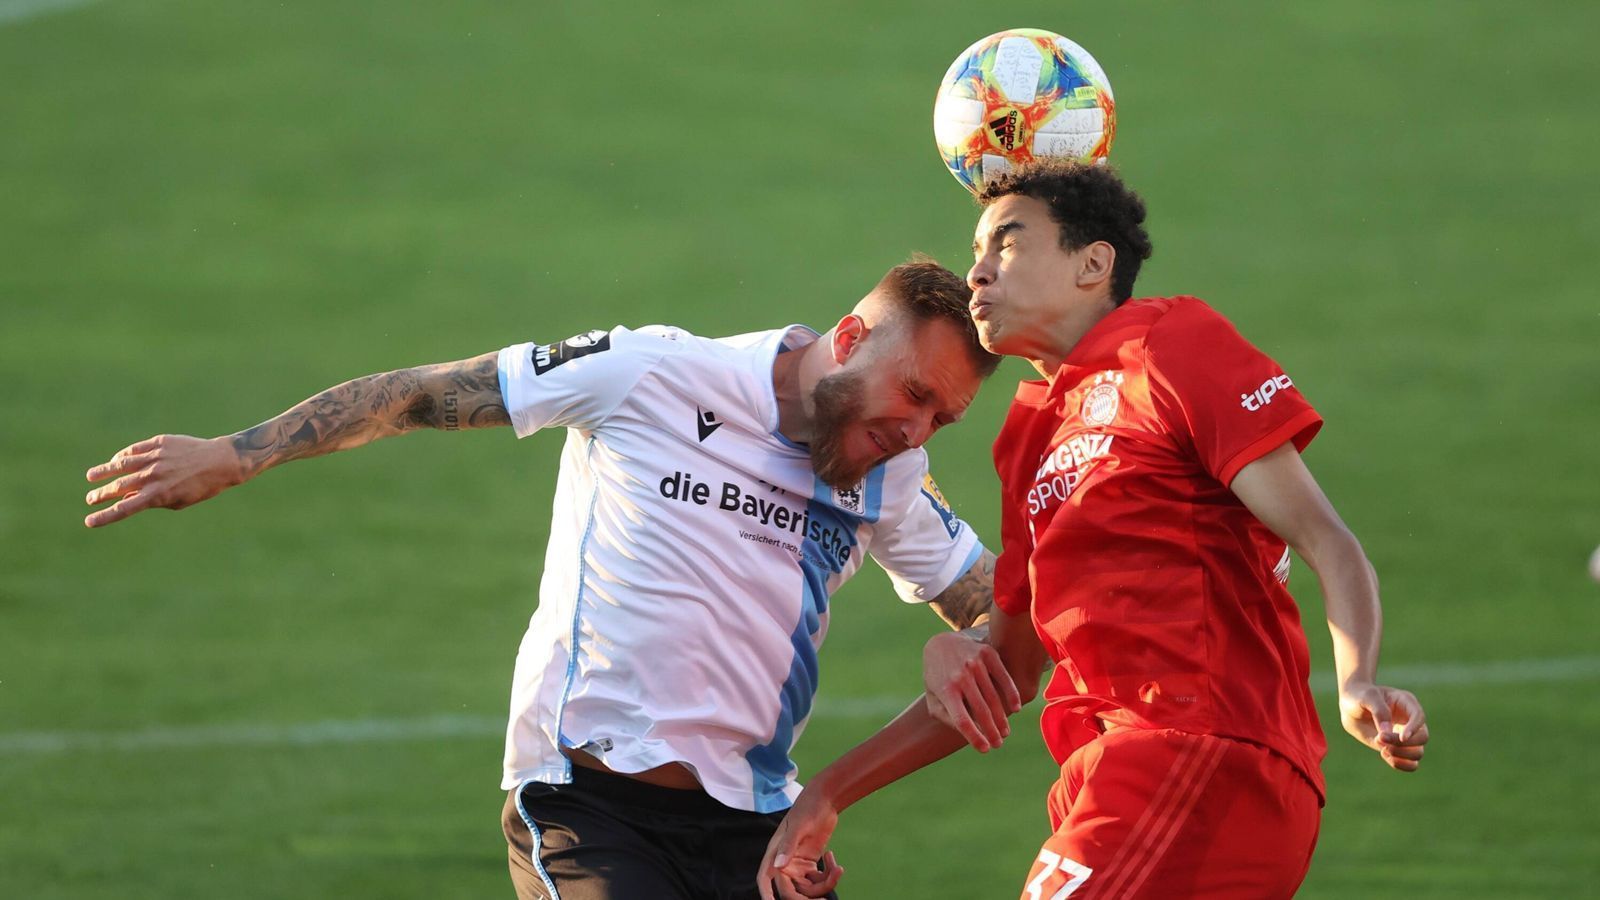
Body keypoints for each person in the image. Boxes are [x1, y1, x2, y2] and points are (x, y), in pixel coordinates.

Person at [83, 259, 1016, 900]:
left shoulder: (888, 478)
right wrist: (238, 454)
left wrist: (962, 642)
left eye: (944, 419)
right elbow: (422, 394)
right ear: (851, 337)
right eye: (915, 394)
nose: (916, 430)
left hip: (759, 832)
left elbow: (1012, 611)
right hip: (590, 803)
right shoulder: (650, 372)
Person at [760, 163, 1432, 900]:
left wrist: (1356, 676)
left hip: (1197, 753)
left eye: (1007, 245)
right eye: (975, 251)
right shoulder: (1027, 437)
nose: (977, 273)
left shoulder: (1173, 344)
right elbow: (1010, 672)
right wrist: (830, 789)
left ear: (1094, 262)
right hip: (1101, 779)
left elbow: (1325, 537)